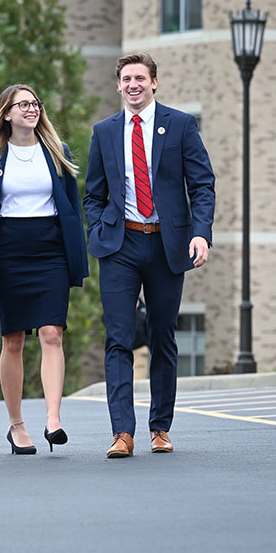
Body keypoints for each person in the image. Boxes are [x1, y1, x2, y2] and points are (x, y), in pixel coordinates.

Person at [83, 52, 215, 458]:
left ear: (154, 82)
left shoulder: (179, 125)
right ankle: (122, 432)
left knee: (163, 335)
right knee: (119, 338)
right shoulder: (104, 131)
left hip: (166, 244)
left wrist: (200, 233)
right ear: (119, 85)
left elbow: (203, 184)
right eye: (126, 78)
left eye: (140, 77)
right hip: (120, 245)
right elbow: (93, 193)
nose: (133, 84)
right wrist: (97, 230)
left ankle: (160, 427)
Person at [0, 84, 89, 455]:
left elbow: (70, 208)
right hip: (8, 251)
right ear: (6, 113)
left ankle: (53, 419)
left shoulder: (57, 152)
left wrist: (75, 255)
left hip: (49, 249)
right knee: (14, 339)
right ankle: (16, 424)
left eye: (35, 104)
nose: (31, 109)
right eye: (23, 105)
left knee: (52, 332)